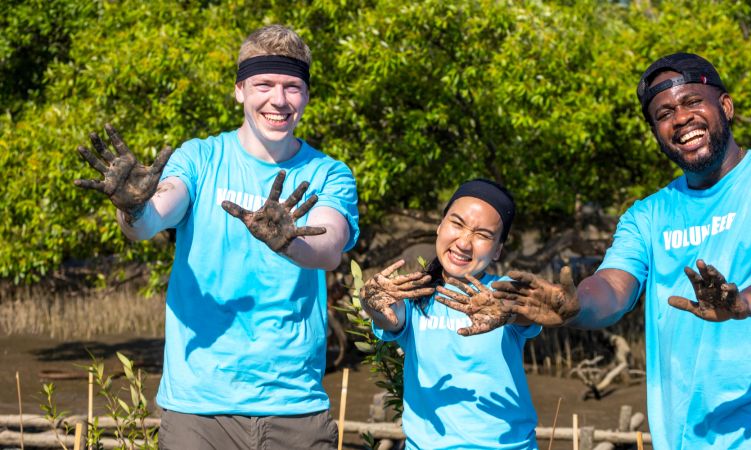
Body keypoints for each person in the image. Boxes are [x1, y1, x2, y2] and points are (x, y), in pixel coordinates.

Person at [493, 53, 751, 449]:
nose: (680, 119)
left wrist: (744, 302)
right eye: (664, 113)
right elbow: (612, 287)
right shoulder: (646, 215)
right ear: (657, 132)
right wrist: (573, 306)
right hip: (681, 438)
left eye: (692, 102)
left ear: (725, 107)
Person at [73, 25, 359, 449]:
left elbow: (330, 247)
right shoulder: (199, 158)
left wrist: (288, 242)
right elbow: (151, 221)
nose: (278, 100)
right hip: (197, 408)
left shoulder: (328, 173)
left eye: (292, 87)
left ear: (307, 95)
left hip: (294, 404)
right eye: (264, 84)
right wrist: (132, 206)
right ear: (240, 90)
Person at [361, 179, 541, 450]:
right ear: (440, 225)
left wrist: (509, 311)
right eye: (457, 224)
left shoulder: (504, 290)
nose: (464, 243)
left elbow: (531, 312)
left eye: (482, 235)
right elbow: (390, 317)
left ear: (498, 250)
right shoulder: (416, 295)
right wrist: (371, 304)